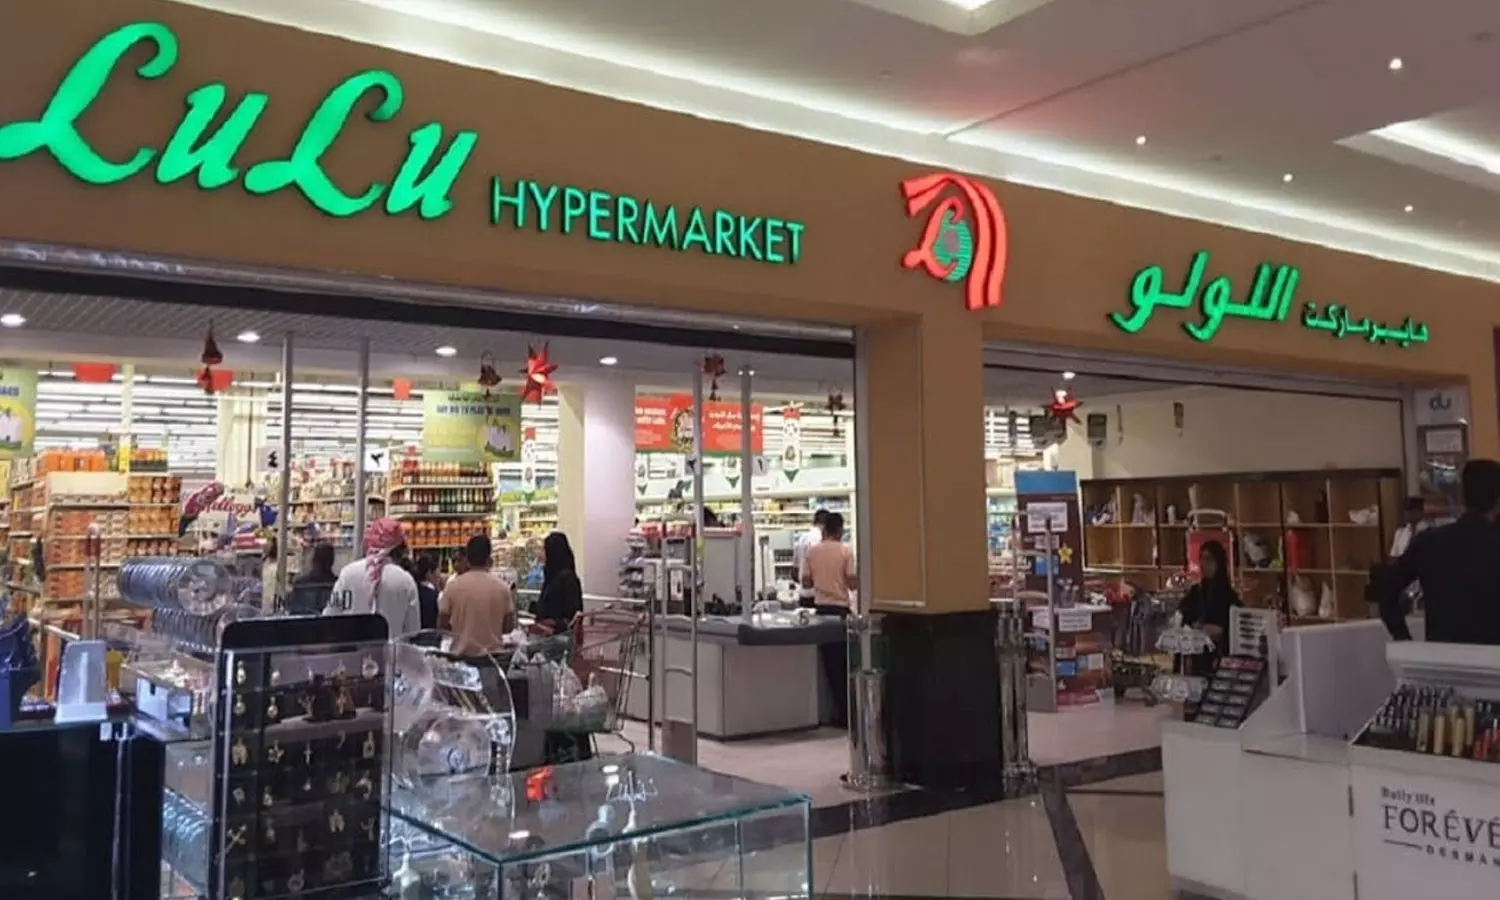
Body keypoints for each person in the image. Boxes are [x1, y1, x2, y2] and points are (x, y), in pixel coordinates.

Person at [1378, 459, 1500, 645]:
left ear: (1462, 496)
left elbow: (1386, 590)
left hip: (1441, 657)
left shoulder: (1429, 542)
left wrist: (1403, 639)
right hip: (1493, 656)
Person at [800, 511, 855, 728]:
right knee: (844, 664)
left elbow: (805, 582)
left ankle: (831, 712)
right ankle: (846, 714)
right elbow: (852, 583)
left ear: (824, 529)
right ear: (840, 530)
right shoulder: (845, 551)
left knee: (828, 666)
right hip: (840, 611)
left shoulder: (812, 552)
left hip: (820, 610)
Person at [325, 518, 421, 635]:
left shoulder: (348, 573)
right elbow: (413, 632)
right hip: (392, 647)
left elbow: (330, 617)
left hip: (352, 645)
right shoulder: (406, 581)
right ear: (399, 549)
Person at [439, 534, 517, 656]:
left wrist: (461, 629)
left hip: (461, 657)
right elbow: (508, 627)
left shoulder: (453, 586)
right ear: (489, 560)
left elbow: (443, 624)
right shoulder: (502, 588)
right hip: (493, 658)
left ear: (467, 559)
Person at [1178, 540, 1242, 676]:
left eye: (1208, 559)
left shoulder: (1228, 596)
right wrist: (1194, 627)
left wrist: (1219, 631)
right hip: (1196, 658)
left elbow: (1235, 628)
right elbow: (1182, 617)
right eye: (1201, 558)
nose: (1203, 564)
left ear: (1218, 563)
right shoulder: (1196, 592)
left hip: (1219, 659)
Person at [532, 531, 583, 635]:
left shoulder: (568, 579)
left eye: (544, 549)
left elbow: (573, 616)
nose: (541, 553)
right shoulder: (551, 575)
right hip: (545, 635)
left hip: (559, 638)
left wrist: (553, 624)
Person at [286, 543, 337, 615]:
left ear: (313, 560)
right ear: (332, 561)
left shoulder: (301, 584)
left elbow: (293, 611)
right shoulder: (337, 584)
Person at [792, 508, 829, 607]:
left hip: (804, 594)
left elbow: (794, 571)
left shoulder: (801, 538)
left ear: (814, 522)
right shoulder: (823, 540)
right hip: (820, 595)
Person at [413, 554, 441, 630]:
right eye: (438, 570)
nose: (439, 575)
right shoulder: (435, 596)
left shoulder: (414, 591)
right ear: (429, 572)